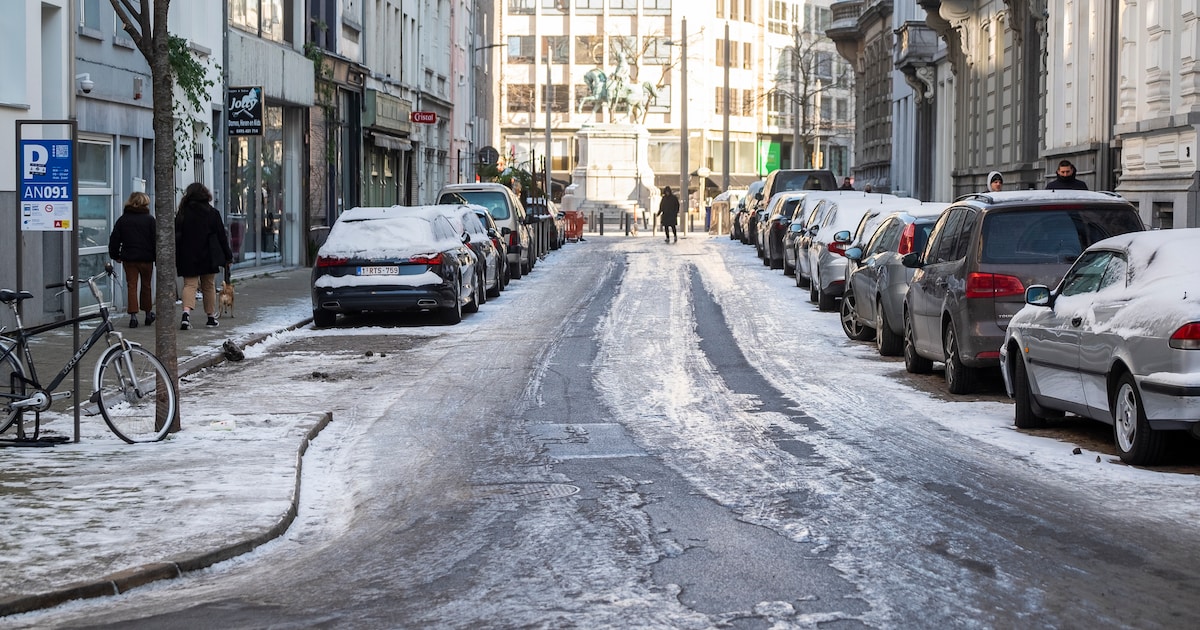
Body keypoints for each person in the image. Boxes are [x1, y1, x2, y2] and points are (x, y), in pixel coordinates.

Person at [175, 182, 233, 330]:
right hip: (209, 254)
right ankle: (210, 317)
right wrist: (228, 257)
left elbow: (176, 236)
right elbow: (222, 237)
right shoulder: (212, 213)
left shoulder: (182, 213)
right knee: (209, 286)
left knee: (190, 285)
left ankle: (186, 315)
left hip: (188, 254)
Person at [108, 192, 157, 328]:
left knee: (132, 286)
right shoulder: (150, 220)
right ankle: (148, 313)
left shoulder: (123, 220)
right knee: (146, 285)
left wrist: (115, 255)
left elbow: (114, 239)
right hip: (146, 259)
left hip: (129, 259)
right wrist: (157, 258)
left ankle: (133, 317)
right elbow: (155, 241)